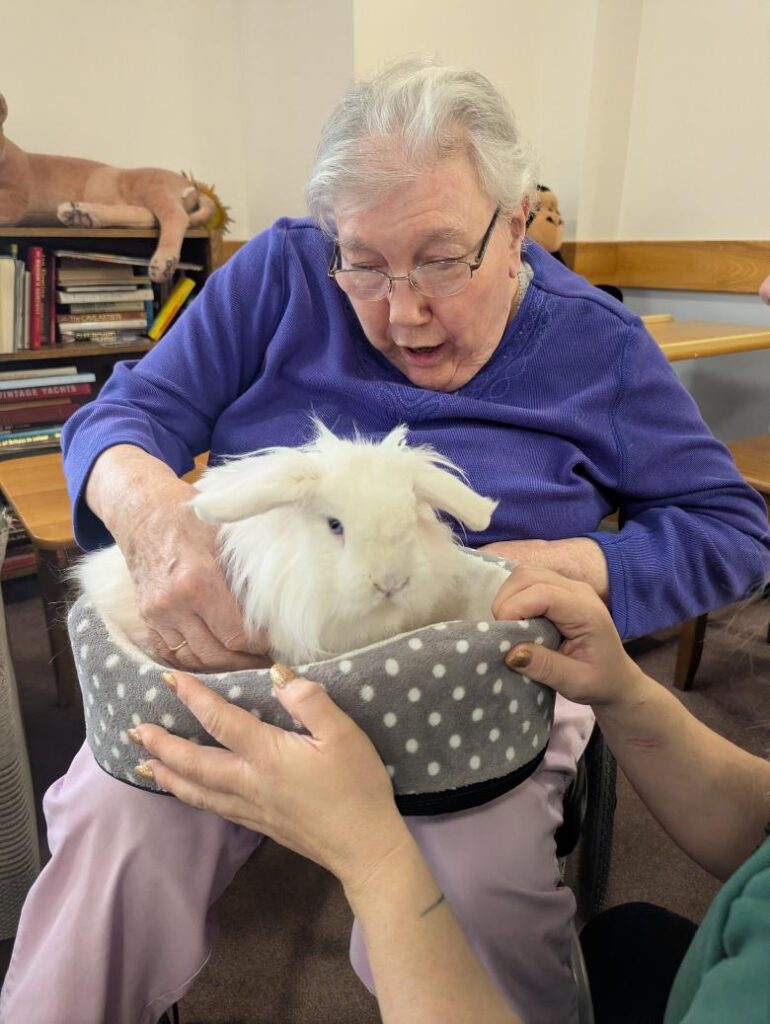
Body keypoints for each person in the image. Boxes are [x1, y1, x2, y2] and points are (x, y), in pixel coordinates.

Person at [2, 56, 769, 1024]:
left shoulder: (598, 342)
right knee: (114, 833)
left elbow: (729, 529)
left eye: (441, 260)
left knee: (478, 897)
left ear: (516, 228)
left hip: (477, 676)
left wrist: (579, 564)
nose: (402, 309)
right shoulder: (280, 270)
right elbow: (122, 417)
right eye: (361, 262)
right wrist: (159, 521)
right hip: (252, 657)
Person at [115, 564, 770, 1024]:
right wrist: (626, 689)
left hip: (487, 702)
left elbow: (724, 529)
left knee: (483, 884)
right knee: (113, 836)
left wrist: (373, 858)